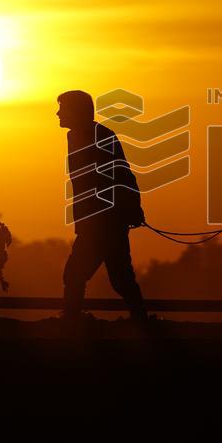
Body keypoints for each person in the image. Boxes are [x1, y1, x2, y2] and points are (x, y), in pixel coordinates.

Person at [56, 90, 148, 326]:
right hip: (97, 220)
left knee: (78, 274)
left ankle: (71, 321)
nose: (58, 113)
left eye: (62, 108)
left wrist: (132, 208)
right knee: (119, 277)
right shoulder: (76, 136)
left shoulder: (100, 137)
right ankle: (141, 320)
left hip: (103, 222)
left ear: (75, 112)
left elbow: (122, 174)